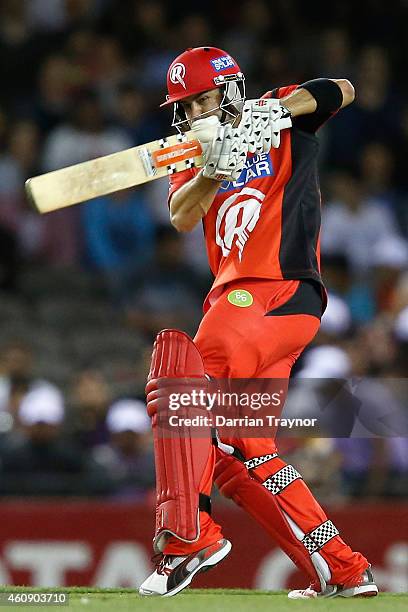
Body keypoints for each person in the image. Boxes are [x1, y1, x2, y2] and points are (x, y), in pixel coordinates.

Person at [139, 46, 378, 599]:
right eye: (185, 106)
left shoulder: (277, 115)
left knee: (185, 386)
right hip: (256, 312)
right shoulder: (192, 153)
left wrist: (273, 114)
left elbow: (341, 88)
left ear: (227, 90)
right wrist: (213, 167)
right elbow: (181, 215)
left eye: (200, 100)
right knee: (239, 453)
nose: (194, 114)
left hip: (271, 288)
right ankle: (341, 568)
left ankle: (187, 541)